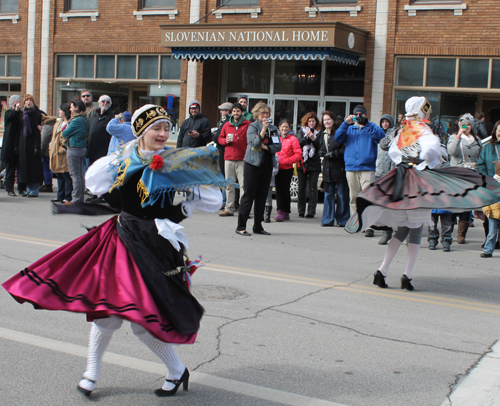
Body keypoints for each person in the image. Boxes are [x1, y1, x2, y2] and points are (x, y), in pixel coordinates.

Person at [2, 104, 228, 398]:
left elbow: (213, 200)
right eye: (155, 128)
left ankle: (176, 370)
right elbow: (98, 185)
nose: (162, 133)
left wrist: (184, 203)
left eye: (165, 128)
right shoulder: (121, 159)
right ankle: (90, 374)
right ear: (140, 131)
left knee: (145, 321)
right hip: (121, 240)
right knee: (106, 315)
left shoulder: (176, 161)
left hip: (157, 246)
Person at [346, 96, 500, 291]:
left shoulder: (403, 129)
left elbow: (393, 153)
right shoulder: (422, 129)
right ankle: (406, 276)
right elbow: (430, 152)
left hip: (401, 179)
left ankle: (382, 271)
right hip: (416, 182)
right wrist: (429, 161)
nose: (429, 113)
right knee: (416, 230)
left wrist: (411, 159)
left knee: (402, 229)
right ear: (421, 111)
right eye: (426, 110)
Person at [335, 105, 385, 237]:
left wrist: (367, 124)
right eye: (356, 114)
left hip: (367, 168)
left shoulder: (372, 127)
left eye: (361, 114)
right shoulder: (349, 129)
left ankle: (369, 225)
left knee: (368, 197)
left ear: (365, 115)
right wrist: (346, 123)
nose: (359, 116)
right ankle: (357, 222)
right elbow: (338, 137)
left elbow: (381, 136)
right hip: (351, 167)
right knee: (354, 197)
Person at [235, 101, 282, 236]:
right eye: (263, 113)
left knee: (262, 196)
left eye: (267, 113)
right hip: (253, 164)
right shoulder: (252, 127)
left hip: (267, 165)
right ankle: (241, 226)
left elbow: (278, 147)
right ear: (257, 114)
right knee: (249, 195)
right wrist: (262, 131)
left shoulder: (273, 128)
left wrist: (266, 147)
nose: (265, 115)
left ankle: (258, 226)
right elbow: (255, 144)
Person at [447, 113, 482, 245]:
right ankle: (447, 232)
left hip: (471, 177)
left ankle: (461, 234)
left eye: (468, 124)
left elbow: (480, 157)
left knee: (467, 205)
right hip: (456, 177)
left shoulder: (477, 140)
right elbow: (451, 151)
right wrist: (458, 136)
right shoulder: (453, 137)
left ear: (472, 126)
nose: (465, 126)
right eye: (463, 124)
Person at [218, 102, 250, 217]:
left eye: (238, 111)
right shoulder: (227, 125)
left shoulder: (248, 124)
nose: (236, 113)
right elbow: (219, 138)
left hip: (242, 159)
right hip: (229, 159)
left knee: (243, 186)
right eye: (234, 111)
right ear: (231, 112)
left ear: (242, 112)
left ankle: (243, 209)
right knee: (229, 186)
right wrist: (225, 141)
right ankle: (229, 208)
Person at [319, 111, 349, 227]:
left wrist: (333, 154)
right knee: (328, 194)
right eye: (325, 120)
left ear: (333, 120)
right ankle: (327, 219)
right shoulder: (323, 133)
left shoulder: (340, 133)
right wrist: (321, 152)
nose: (326, 122)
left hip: (339, 167)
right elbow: (320, 147)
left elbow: (344, 148)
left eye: (328, 119)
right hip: (327, 168)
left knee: (341, 194)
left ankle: (342, 219)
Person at [296, 112, 323, 218]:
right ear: (306, 122)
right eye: (310, 121)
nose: (311, 123)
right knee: (301, 187)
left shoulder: (320, 132)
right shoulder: (301, 130)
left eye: (313, 121)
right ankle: (301, 210)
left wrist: (313, 139)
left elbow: (320, 146)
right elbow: (298, 144)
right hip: (302, 162)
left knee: (313, 188)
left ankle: (311, 211)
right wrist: (306, 138)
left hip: (314, 163)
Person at [274, 119, 302, 222]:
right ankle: (280, 211)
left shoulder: (293, 139)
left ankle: (286, 211)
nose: (284, 128)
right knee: (278, 190)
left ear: (289, 128)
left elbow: (298, 154)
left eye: (286, 126)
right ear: (279, 127)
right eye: (282, 126)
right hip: (277, 168)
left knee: (285, 190)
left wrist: (287, 161)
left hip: (287, 168)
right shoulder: (276, 137)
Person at [375, 114, 397, 244]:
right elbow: (382, 145)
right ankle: (387, 230)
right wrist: (395, 135)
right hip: (382, 172)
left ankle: (405, 232)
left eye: (387, 121)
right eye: (382, 121)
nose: (384, 124)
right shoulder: (393, 135)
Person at [18, 94, 45, 197]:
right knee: (26, 169)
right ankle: (28, 189)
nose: (28, 102)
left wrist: (36, 146)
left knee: (34, 168)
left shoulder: (37, 114)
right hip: (23, 144)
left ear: (33, 102)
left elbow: (37, 132)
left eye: (30, 100)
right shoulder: (22, 114)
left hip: (33, 143)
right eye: (27, 100)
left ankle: (34, 190)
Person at [63, 99, 88, 204]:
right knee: (80, 175)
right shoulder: (84, 119)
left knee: (75, 175)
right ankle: (79, 198)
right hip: (82, 148)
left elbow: (65, 133)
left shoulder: (76, 120)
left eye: (72, 106)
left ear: (76, 107)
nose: (70, 109)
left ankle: (76, 200)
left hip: (74, 148)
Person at [49, 103, 73, 203]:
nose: (59, 111)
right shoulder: (58, 123)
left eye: (61, 110)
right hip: (56, 152)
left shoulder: (70, 123)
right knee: (59, 175)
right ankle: (60, 195)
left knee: (66, 175)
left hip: (64, 152)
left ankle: (67, 196)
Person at [1, 95, 23, 196]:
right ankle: (9, 188)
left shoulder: (20, 113)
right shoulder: (9, 112)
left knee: (20, 167)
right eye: (18, 102)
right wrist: (15, 109)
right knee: (10, 168)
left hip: (19, 143)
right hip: (10, 144)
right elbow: (9, 118)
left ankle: (22, 188)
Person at [40, 115, 57, 192]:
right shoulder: (53, 124)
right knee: (48, 167)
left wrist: (41, 150)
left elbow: (44, 140)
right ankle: (48, 183)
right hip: (51, 149)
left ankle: (48, 184)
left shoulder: (47, 127)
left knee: (46, 168)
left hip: (46, 150)